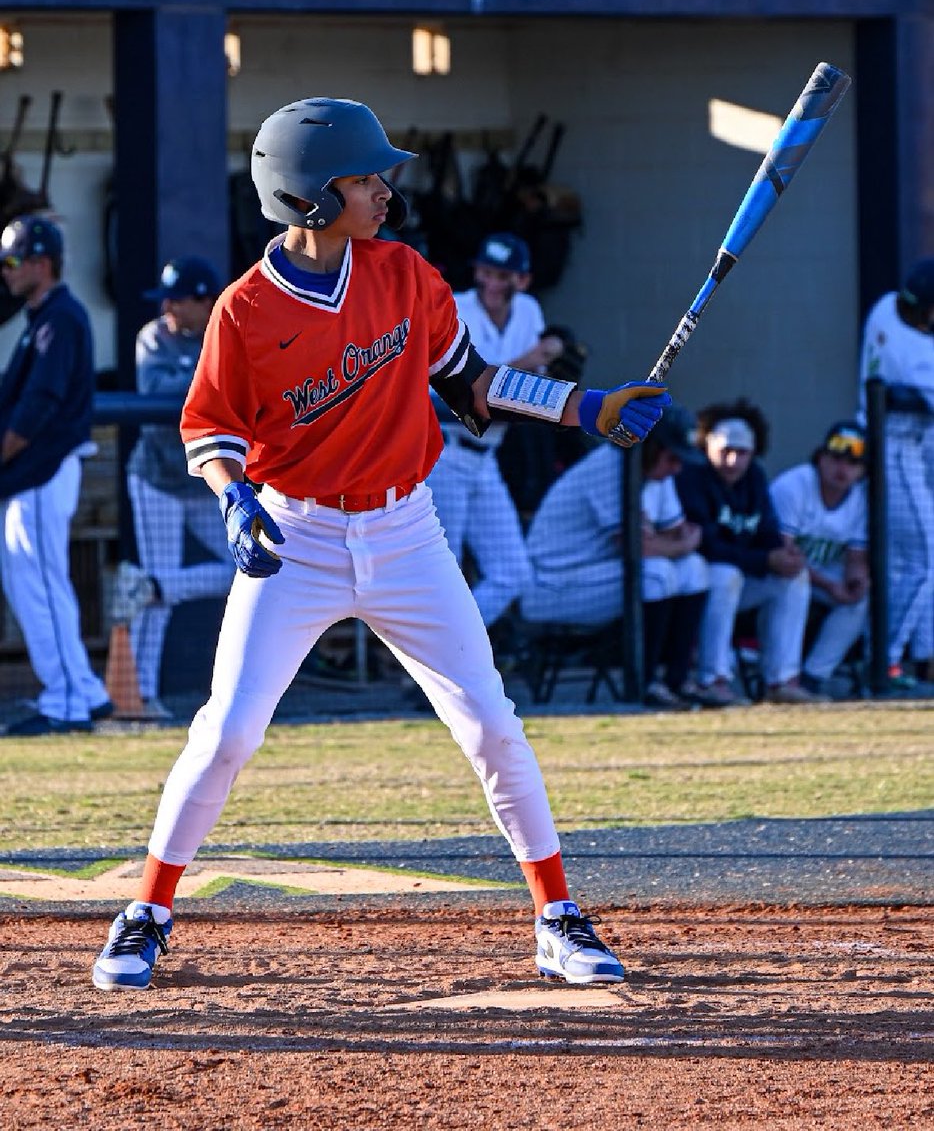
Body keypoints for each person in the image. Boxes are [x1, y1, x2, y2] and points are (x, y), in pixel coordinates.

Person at [92, 97, 670, 992]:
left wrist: (581, 406)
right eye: (365, 178)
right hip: (299, 534)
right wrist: (237, 500)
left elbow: (472, 383)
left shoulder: (406, 275)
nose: (384, 191)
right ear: (310, 199)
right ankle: (147, 912)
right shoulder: (244, 310)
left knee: (491, 725)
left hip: (407, 531)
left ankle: (558, 918)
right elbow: (208, 429)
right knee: (229, 728)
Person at [520, 404, 716, 709]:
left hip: (597, 575)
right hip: (552, 586)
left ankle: (676, 681)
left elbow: (677, 532)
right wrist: (675, 544)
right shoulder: (609, 465)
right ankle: (645, 683)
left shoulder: (654, 473)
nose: (677, 467)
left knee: (695, 569)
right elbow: (641, 549)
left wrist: (673, 544)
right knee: (657, 573)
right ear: (652, 447)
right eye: (672, 457)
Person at [0, 214, 112, 735]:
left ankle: (68, 699)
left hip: (43, 472)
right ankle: (81, 690)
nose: (6, 271)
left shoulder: (61, 316)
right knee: (33, 583)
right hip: (33, 478)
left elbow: (38, 407)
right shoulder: (42, 317)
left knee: (43, 586)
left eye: (13, 260)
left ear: (41, 264)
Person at [113, 256, 232, 719]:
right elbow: (162, 391)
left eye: (177, 299)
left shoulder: (222, 330)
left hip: (206, 478)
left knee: (242, 567)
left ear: (203, 301)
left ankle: (155, 584)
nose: (167, 307)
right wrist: (209, 376)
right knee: (156, 611)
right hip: (158, 478)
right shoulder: (153, 336)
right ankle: (139, 697)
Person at [427, 232, 564, 630]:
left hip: (487, 459)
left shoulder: (528, 311)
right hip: (445, 453)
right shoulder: (456, 307)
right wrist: (533, 357)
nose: (492, 284)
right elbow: (475, 390)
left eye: (503, 276)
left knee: (512, 573)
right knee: (443, 574)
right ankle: (427, 666)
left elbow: (529, 392)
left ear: (521, 280)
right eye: (487, 273)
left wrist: (543, 364)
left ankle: (454, 651)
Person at [675, 399, 814, 706]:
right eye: (726, 451)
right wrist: (765, 559)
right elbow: (707, 546)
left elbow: (765, 530)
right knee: (725, 575)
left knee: (794, 578)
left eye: (743, 453)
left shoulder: (754, 479)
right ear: (707, 446)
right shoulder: (692, 476)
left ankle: (782, 681)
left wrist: (782, 552)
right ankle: (714, 680)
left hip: (742, 576)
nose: (734, 461)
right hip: (697, 584)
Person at [858, 257, 934, 689]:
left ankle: (921, 657)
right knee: (922, 562)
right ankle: (882, 663)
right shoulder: (919, 357)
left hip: (905, 447)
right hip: (895, 447)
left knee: (915, 563)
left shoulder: (884, 307)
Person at [769, 421, 869, 697]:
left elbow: (856, 556)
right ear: (821, 457)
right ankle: (783, 679)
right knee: (795, 579)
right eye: (836, 459)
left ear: (862, 471)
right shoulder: (795, 485)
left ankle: (813, 678)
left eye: (853, 463)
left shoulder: (861, 498)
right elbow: (784, 553)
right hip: (781, 575)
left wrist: (855, 580)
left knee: (861, 600)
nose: (843, 469)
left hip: (824, 582)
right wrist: (830, 586)